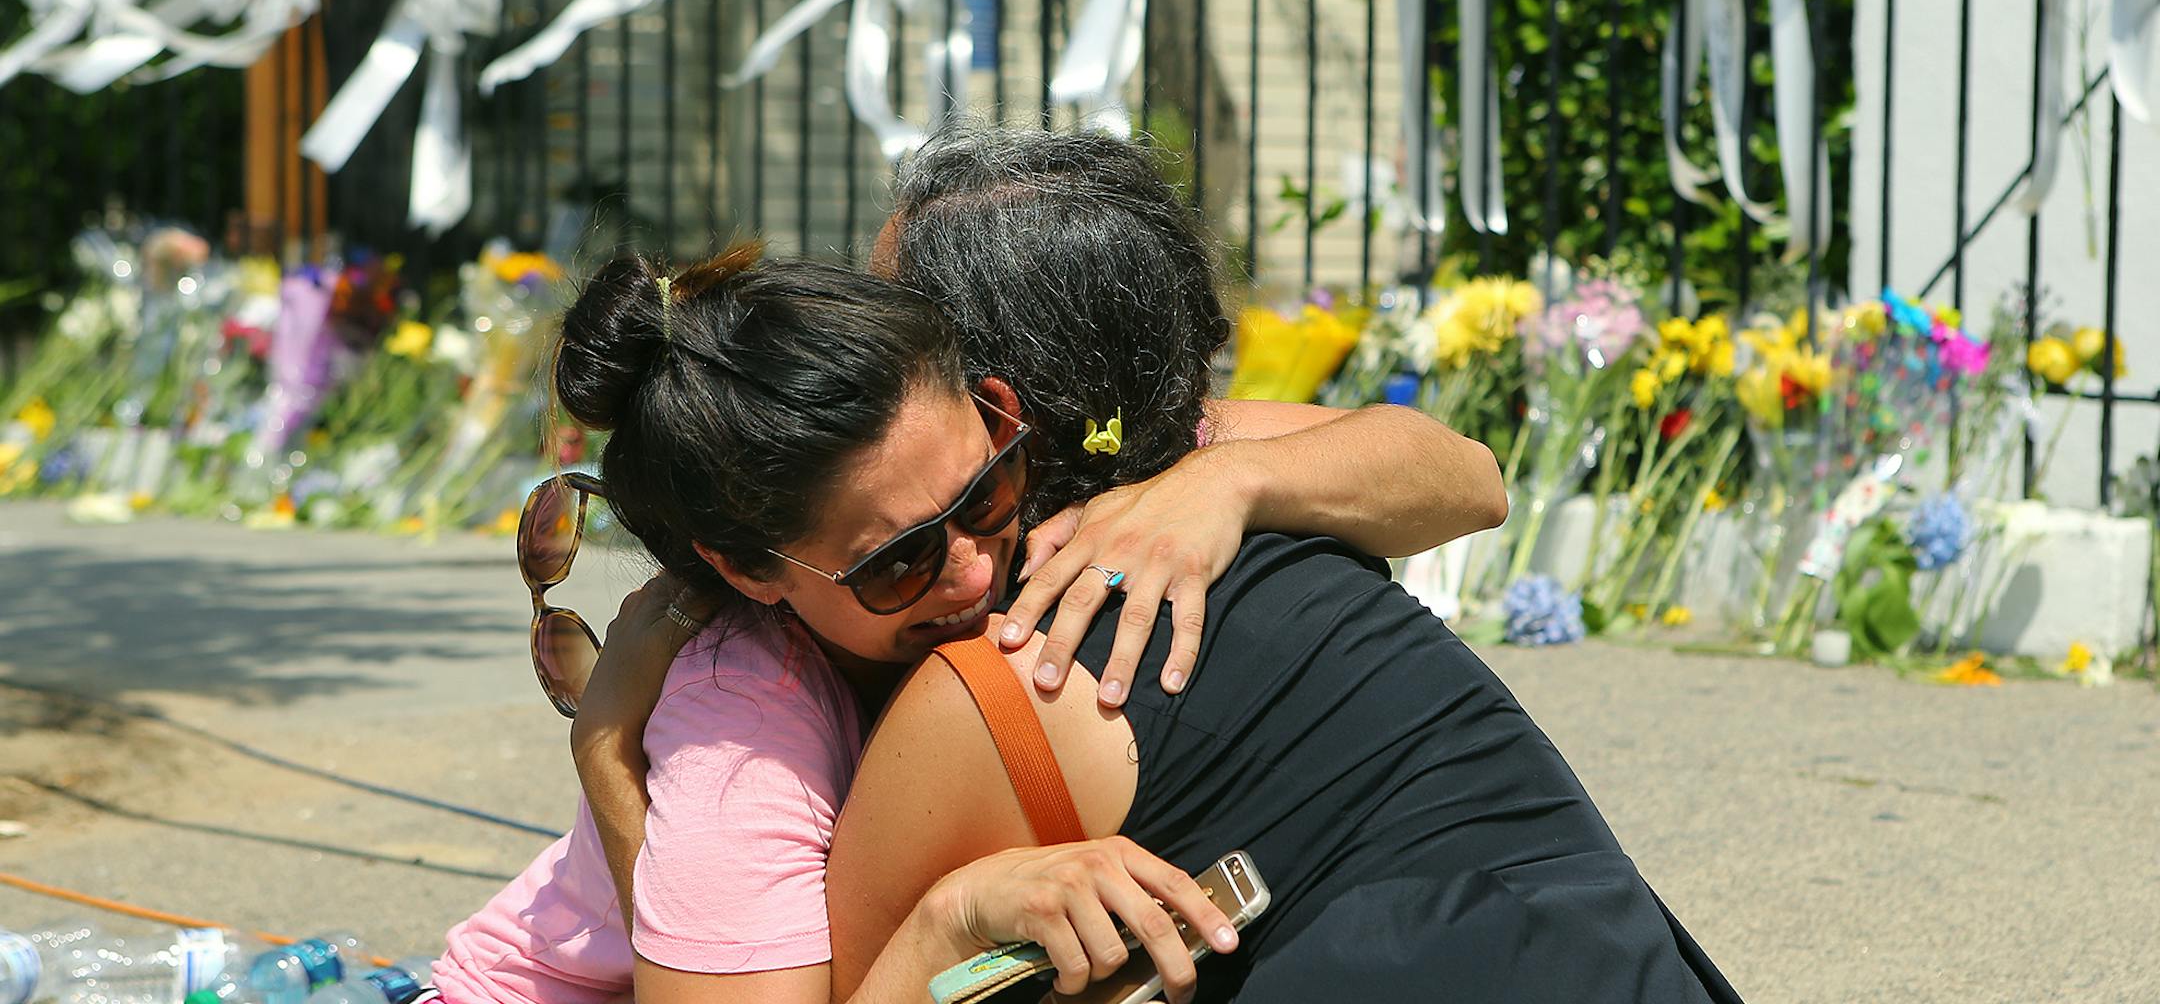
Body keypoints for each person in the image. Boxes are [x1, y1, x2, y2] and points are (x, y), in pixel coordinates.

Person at [579, 128, 1745, 1002]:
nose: (975, 574)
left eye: (985, 485)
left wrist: (946, 921)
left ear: (999, 395)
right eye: (895, 563)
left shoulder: (1014, 672)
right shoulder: (1241, 497)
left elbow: (1466, 473)